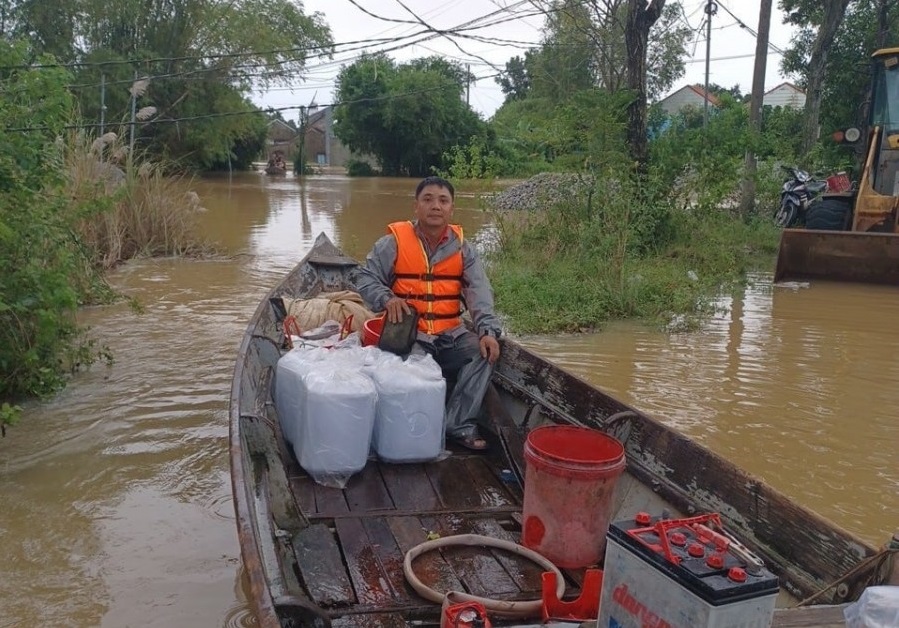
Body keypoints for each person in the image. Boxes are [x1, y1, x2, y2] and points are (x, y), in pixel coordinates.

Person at [355, 176, 502, 450]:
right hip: (411, 334)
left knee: (485, 353)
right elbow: (364, 278)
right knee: (410, 373)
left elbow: (480, 294)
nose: (436, 206)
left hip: (452, 333)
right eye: (428, 199)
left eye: (443, 200)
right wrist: (387, 298)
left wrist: (487, 332)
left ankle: (457, 424)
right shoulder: (393, 243)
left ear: (452, 209)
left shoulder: (463, 248)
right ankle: (412, 430)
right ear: (416, 207)